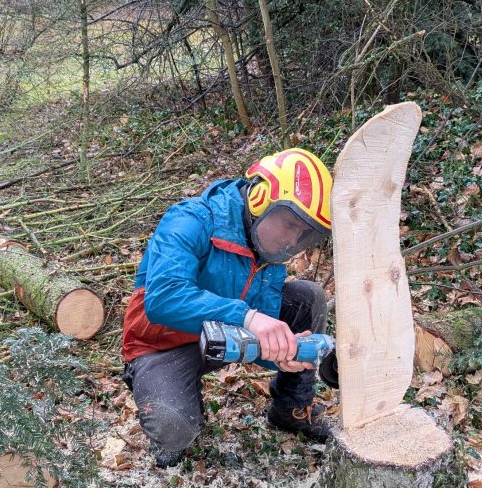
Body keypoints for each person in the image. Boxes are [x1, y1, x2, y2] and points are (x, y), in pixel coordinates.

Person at [122, 147, 338, 467]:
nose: (293, 241)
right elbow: (164, 298)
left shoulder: (269, 250)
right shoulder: (191, 219)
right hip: (162, 346)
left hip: (225, 339)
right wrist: (247, 317)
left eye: (304, 233)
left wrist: (282, 354)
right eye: (290, 224)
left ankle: (290, 407)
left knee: (309, 297)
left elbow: (259, 331)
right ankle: (171, 401)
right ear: (261, 199)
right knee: (174, 428)